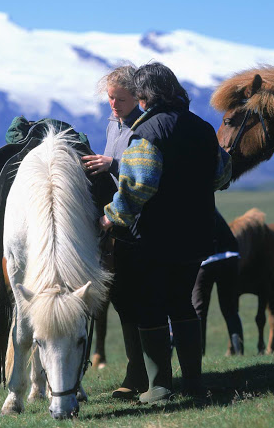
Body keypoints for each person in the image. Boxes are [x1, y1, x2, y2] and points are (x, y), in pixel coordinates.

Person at [100, 62, 231, 404]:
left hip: (154, 237)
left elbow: (137, 186)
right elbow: (222, 175)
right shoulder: (202, 128)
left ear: (144, 96)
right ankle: (194, 383)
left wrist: (111, 217)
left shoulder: (148, 132)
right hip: (198, 234)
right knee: (182, 302)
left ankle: (159, 386)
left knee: (150, 307)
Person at [82, 65, 148, 400]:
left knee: (136, 300)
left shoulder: (143, 126)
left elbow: (146, 175)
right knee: (122, 299)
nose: (113, 104)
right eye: (109, 97)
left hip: (138, 225)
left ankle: (143, 374)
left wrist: (113, 165)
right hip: (115, 225)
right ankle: (137, 371)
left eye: (119, 98)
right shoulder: (113, 123)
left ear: (137, 96)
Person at [192, 209, 244, 356]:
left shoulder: (182, 207)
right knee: (231, 309)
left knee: (199, 310)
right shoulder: (208, 203)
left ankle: (198, 355)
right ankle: (239, 353)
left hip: (204, 262)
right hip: (230, 257)